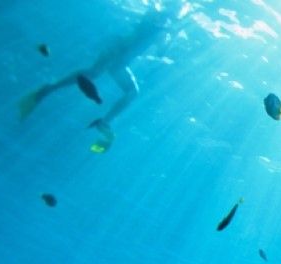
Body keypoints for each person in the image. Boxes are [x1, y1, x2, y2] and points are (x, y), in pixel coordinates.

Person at [18, 4, 176, 153]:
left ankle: (103, 121)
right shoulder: (161, 29)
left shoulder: (157, 22)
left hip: (119, 56)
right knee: (97, 75)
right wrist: (169, 36)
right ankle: (51, 91)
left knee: (126, 89)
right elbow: (160, 52)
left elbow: (152, 42)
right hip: (118, 51)